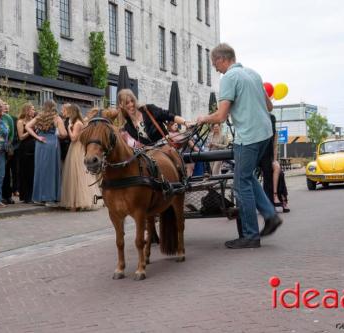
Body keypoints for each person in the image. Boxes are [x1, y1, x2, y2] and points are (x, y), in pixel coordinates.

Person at [195, 43, 282, 249]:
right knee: (247, 176)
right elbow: (269, 106)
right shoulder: (253, 74)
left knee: (241, 184)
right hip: (265, 135)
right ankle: (270, 215)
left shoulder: (229, 78)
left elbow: (221, 116)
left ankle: (250, 235)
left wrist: (202, 119)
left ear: (222, 59)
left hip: (249, 137)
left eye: (214, 63)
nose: (215, 69)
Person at [59, 104, 101, 211]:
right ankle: (76, 202)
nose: (67, 113)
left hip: (77, 149)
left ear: (73, 112)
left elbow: (73, 138)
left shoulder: (77, 123)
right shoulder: (79, 122)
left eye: (69, 111)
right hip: (76, 149)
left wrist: (68, 128)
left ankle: (79, 202)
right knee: (76, 175)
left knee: (77, 175)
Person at [25, 100, 67, 206]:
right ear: (54, 107)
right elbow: (63, 133)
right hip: (52, 144)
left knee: (40, 169)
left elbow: (27, 126)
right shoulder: (57, 118)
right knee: (51, 170)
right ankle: (50, 198)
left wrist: (37, 137)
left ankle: (38, 198)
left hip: (40, 144)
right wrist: (60, 136)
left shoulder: (39, 117)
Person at [117, 89, 188, 147]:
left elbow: (169, 116)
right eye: (127, 103)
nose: (131, 104)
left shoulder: (149, 109)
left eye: (132, 101)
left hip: (166, 147)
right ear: (121, 105)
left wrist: (185, 122)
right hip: (150, 156)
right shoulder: (127, 126)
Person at [16, 103, 36, 203]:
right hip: (25, 149)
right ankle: (26, 196)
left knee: (33, 172)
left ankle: (33, 194)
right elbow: (21, 136)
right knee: (26, 172)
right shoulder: (20, 122)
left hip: (34, 148)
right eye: (32, 109)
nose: (34, 111)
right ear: (27, 111)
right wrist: (30, 130)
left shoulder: (34, 121)